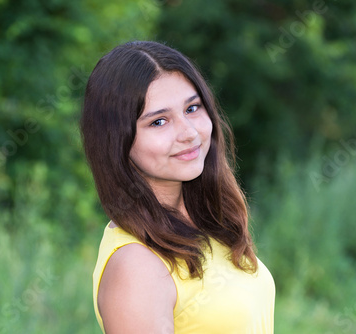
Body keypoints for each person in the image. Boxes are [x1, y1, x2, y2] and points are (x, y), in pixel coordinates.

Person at [80, 41, 275, 333]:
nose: (189, 132)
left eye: (192, 108)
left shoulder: (209, 223)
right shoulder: (137, 266)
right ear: (116, 141)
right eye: (159, 121)